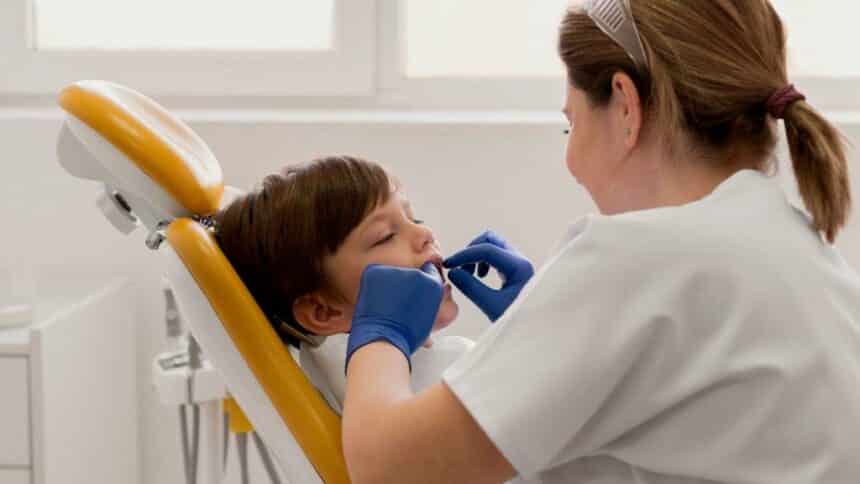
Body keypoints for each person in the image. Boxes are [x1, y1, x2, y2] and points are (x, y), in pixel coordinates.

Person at [341, 1, 860, 483]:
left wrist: (380, 333)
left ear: (626, 106)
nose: (571, 163)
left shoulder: (633, 257)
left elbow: (390, 468)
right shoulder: (792, 239)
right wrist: (544, 335)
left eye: (571, 127)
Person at [214, 155, 472, 411]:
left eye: (414, 220)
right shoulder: (382, 396)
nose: (425, 234)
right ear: (323, 311)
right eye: (385, 237)